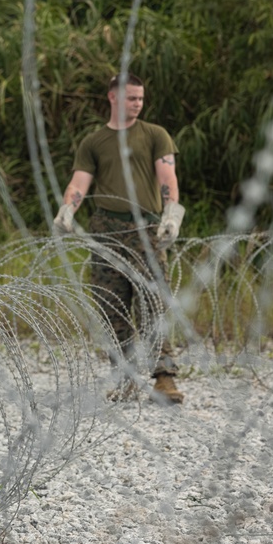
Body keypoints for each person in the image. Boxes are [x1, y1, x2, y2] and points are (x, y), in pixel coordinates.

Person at [53, 72, 186, 404]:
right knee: (111, 306)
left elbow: (167, 175)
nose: (138, 104)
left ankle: (164, 379)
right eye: (131, 98)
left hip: (145, 229)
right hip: (106, 229)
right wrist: (68, 209)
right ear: (113, 98)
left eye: (141, 98)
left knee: (153, 304)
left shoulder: (156, 135)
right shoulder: (94, 142)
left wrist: (171, 212)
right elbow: (80, 181)